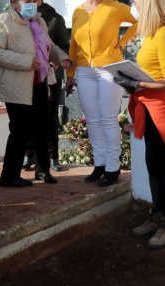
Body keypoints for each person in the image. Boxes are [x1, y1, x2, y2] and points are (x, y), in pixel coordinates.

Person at [115, 0, 165, 248]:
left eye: (136, 2)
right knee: (153, 164)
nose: (133, 5)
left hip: (163, 110)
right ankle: (157, 216)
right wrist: (131, 79)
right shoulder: (151, 33)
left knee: (164, 167)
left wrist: (137, 85)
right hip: (149, 107)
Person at [0, 0, 72, 187]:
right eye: (27, 1)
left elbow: (50, 47)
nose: (31, 4)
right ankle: (9, 176)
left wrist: (63, 58)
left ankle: (42, 170)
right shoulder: (2, 21)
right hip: (16, 85)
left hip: (39, 81)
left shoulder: (38, 22)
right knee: (20, 130)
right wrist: (25, 61)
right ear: (15, 3)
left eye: (34, 0)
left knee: (42, 126)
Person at [65, 0, 138, 186]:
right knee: (92, 120)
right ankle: (100, 164)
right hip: (83, 70)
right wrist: (70, 74)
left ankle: (113, 168)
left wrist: (122, 41)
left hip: (109, 68)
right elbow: (73, 43)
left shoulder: (115, 7)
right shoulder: (78, 11)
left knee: (108, 118)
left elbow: (141, 21)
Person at [21, 0, 71, 172]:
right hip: (27, 73)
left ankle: (52, 157)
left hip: (49, 76)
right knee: (26, 116)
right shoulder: (17, 17)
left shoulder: (54, 18)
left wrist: (60, 60)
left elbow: (63, 45)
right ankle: (30, 154)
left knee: (49, 117)